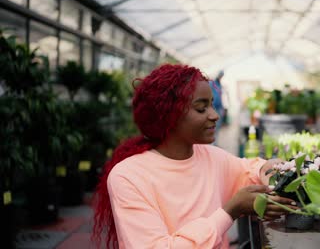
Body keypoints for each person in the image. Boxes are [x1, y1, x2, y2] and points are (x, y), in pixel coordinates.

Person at [92, 64, 297, 249]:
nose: (214, 115)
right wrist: (228, 212)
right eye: (201, 108)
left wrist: (274, 174)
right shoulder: (128, 176)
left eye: (211, 105)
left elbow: (255, 169)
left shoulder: (211, 158)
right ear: (169, 115)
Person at [209, 70, 225, 141]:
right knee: (212, 127)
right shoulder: (211, 83)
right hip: (212, 108)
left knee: (217, 126)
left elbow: (220, 97)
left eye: (222, 75)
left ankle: (215, 142)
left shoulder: (219, 84)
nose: (221, 76)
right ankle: (212, 144)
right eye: (220, 75)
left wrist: (222, 108)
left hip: (219, 108)